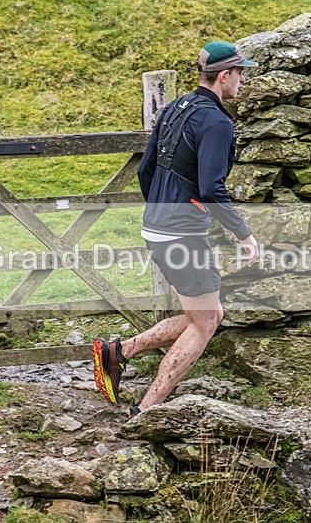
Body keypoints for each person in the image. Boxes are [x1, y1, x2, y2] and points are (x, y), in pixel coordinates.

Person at [93, 41, 260, 418]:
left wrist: (161, 210)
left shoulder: (176, 107)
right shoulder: (217, 122)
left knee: (202, 314)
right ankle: (146, 409)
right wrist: (243, 233)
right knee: (206, 323)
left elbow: (144, 169)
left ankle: (118, 352)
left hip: (158, 226)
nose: (243, 79)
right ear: (223, 76)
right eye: (240, 72)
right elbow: (211, 187)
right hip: (181, 233)